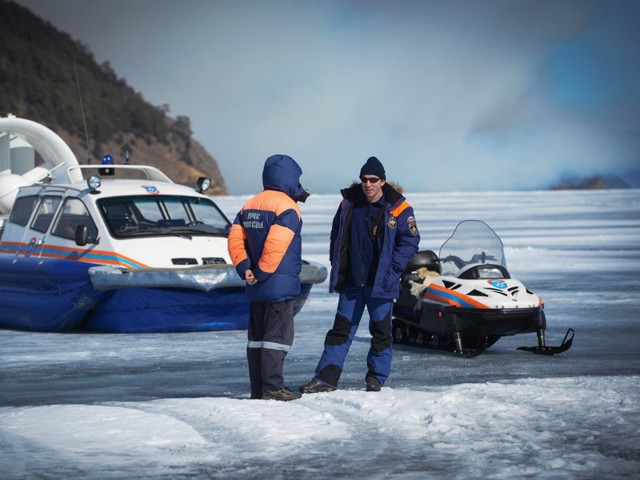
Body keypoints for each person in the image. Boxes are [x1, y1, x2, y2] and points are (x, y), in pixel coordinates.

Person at [300, 156, 420, 393]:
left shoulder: (399, 208)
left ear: (382, 181)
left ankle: (376, 378)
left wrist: (395, 268)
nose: (368, 184)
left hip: (381, 283)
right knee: (340, 332)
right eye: (364, 180)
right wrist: (338, 263)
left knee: (381, 333)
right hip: (352, 282)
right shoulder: (348, 204)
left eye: (373, 180)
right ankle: (325, 379)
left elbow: (410, 241)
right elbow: (336, 235)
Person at [228, 154, 309, 401]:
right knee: (277, 337)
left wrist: (245, 269)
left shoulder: (250, 204)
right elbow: (276, 245)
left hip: (256, 285)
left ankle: (258, 388)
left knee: (257, 338)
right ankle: (273, 388)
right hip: (276, 284)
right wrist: (261, 273)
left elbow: (234, 240)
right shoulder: (286, 207)